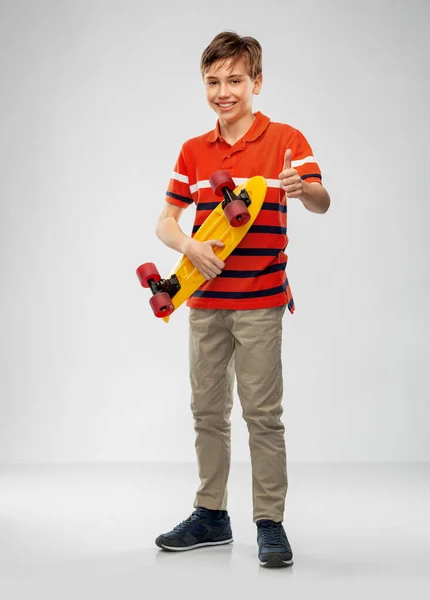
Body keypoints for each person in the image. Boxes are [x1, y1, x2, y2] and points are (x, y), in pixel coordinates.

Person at [153, 31, 330, 568]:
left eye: (235, 80)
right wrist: (188, 244)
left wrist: (304, 188)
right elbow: (166, 221)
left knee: (262, 414)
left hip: (260, 302)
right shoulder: (194, 150)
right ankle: (211, 515)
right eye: (213, 81)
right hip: (204, 305)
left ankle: (269, 523)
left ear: (256, 82)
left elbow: (322, 201)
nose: (223, 91)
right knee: (207, 411)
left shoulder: (286, 139)